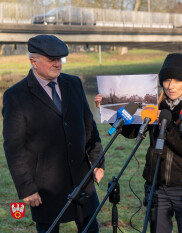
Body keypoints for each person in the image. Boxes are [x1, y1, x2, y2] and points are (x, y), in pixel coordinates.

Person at [95, 53, 182, 233]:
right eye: (166, 80)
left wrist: (166, 125)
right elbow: (133, 132)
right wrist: (110, 113)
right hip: (156, 186)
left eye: (176, 80)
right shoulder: (154, 104)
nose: (170, 86)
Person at [3, 35, 104, 233]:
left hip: (82, 180)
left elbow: (89, 126)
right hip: (45, 187)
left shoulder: (74, 84)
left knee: (91, 230)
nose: (57, 64)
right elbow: (14, 148)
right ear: (33, 61)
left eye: (60, 59)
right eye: (51, 59)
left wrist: (97, 162)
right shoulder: (15, 96)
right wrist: (27, 188)